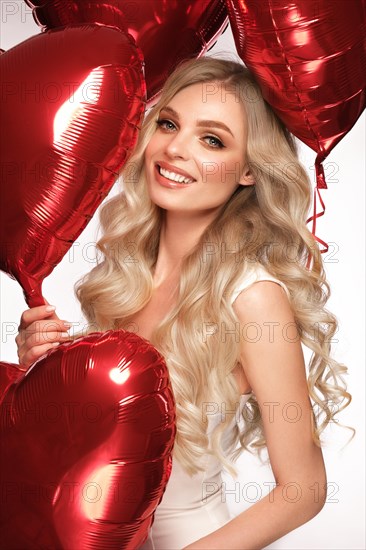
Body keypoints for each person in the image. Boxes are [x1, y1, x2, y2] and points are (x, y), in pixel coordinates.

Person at [15, 56, 352, 549]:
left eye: (211, 139)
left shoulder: (253, 297)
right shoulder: (126, 274)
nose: (174, 149)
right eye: (169, 124)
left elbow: (304, 489)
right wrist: (39, 374)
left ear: (250, 172)